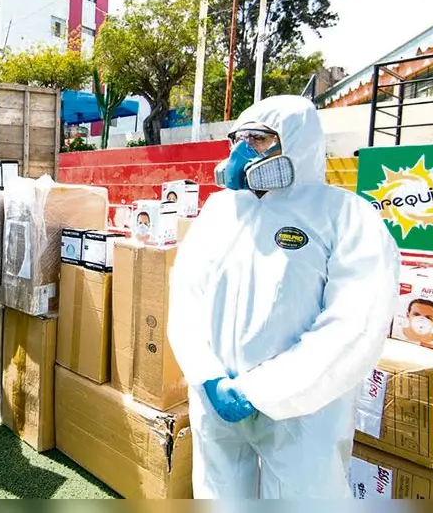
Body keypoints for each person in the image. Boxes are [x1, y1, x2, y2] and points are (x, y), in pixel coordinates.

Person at [166, 95, 400, 499]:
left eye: (257, 139)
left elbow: (354, 324)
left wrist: (264, 389)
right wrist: (208, 376)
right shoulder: (220, 211)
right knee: (218, 494)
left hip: (303, 410)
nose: (241, 152)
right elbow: (186, 298)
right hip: (217, 398)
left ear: (295, 141)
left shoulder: (344, 215)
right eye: (237, 139)